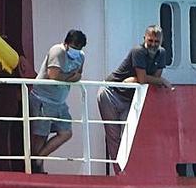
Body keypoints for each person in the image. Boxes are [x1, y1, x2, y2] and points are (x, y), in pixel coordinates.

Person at [97, 26, 173, 168]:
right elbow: (146, 80)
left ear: (162, 41)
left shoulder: (161, 53)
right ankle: (119, 172)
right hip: (111, 93)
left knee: (129, 134)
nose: (153, 44)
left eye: (157, 41)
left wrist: (135, 79)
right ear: (144, 38)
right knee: (114, 135)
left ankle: (129, 170)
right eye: (150, 40)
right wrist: (162, 81)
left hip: (129, 97)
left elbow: (150, 81)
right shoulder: (138, 51)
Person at [30, 29, 87, 173]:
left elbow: (79, 75)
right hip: (42, 98)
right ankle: (36, 169)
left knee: (66, 132)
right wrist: (69, 77)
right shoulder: (57, 51)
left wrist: (66, 76)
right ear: (66, 43)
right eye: (74, 47)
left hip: (59, 101)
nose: (76, 51)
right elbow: (53, 76)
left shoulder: (81, 56)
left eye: (79, 48)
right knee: (41, 135)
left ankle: (38, 158)